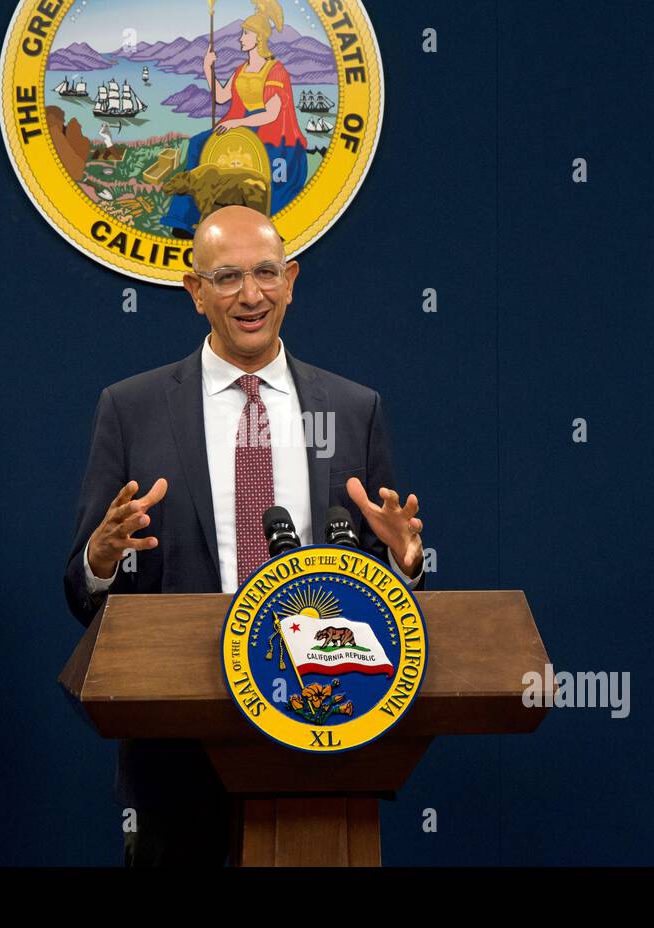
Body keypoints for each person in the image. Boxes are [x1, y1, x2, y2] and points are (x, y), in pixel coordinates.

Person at [63, 204, 424, 866]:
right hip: (177, 746)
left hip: (320, 723)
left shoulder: (352, 410)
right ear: (194, 292)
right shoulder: (132, 409)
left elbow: (384, 581)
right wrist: (101, 557)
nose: (250, 295)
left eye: (265, 273)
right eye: (227, 277)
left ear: (291, 279)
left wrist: (404, 566)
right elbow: (83, 591)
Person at [161, 0, 308, 237]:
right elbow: (221, 97)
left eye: (245, 33)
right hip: (240, 122)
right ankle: (184, 219)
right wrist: (208, 70)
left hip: (266, 127)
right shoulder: (241, 69)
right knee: (198, 143)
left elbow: (272, 114)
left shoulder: (275, 70)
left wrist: (236, 123)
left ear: (259, 37)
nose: (240, 38)